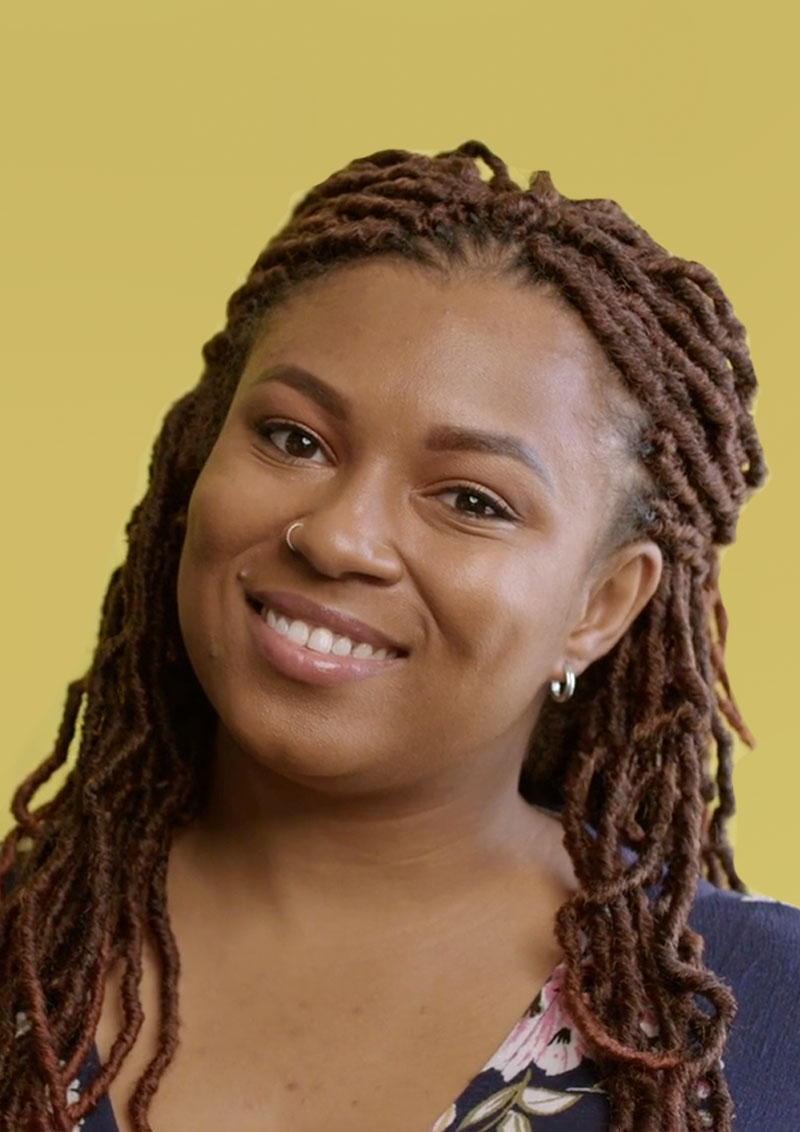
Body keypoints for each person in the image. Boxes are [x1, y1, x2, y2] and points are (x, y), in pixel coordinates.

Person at [1, 140, 798, 1132]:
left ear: (600, 604)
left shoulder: (767, 1019)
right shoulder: (21, 947)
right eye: (293, 438)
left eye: (471, 499)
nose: (336, 535)